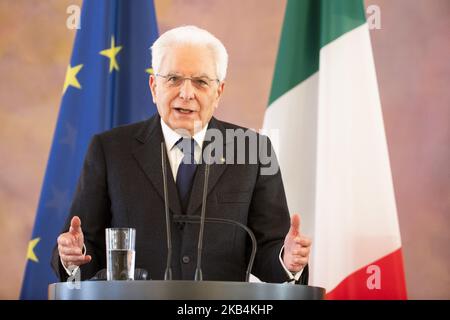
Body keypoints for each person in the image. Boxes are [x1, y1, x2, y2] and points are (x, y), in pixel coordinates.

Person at [52, 25, 311, 283]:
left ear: (218, 91)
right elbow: (86, 250)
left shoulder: (251, 150)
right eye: (173, 79)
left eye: (200, 82)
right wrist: (74, 256)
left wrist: (286, 260)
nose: (186, 94)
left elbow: (268, 250)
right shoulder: (110, 150)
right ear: (154, 87)